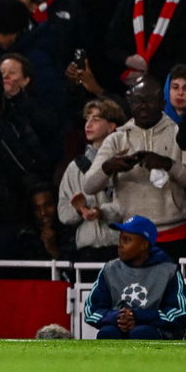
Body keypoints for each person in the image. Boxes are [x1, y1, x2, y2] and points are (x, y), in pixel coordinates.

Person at [83, 78, 186, 261]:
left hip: (176, 233)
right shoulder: (116, 139)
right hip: (133, 235)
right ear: (129, 103)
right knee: (136, 290)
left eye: (149, 100)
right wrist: (108, 167)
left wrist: (169, 165)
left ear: (162, 103)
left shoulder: (180, 134)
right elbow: (89, 186)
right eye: (137, 100)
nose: (143, 106)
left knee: (175, 290)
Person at [84, 215, 186, 339]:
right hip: (118, 326)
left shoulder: (168, 271)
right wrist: (117, 317)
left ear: (144, 245)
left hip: (157, 331)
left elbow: (180, 313)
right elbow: (91, 310)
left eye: (126, 240)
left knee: (142, 332)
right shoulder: (110, 269)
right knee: (108, 333)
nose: (120, 245)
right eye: (120, 239)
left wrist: (139, 316)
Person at [58, 99, 126, 262]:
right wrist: (79, 210)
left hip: (120, 247)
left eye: (96, 119)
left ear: (112, 126)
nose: (88, 124)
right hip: (87, 250)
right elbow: (63, 212)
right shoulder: (75, 167)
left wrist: (101, 212)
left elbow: (129, 206)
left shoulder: (124, 163)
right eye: (87, 119)